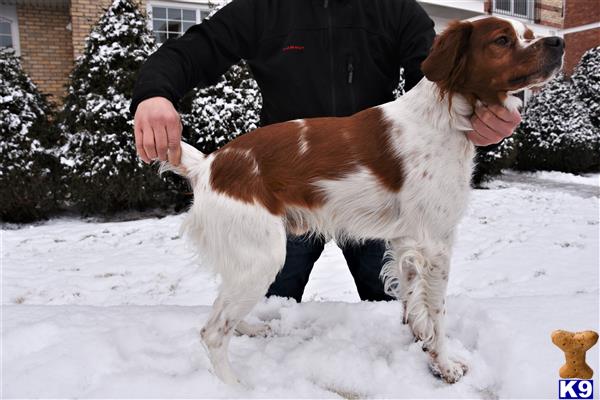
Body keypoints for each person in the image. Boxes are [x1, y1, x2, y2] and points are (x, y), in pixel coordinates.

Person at [130, 0, 521, 303]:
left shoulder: (392, 7)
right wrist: (154, 94)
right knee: (269, 311)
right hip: (283, 188)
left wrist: (483, 115)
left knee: (392, 312)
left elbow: (436, 77)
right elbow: (193, 50)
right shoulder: (264, 7)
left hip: (374, 189)